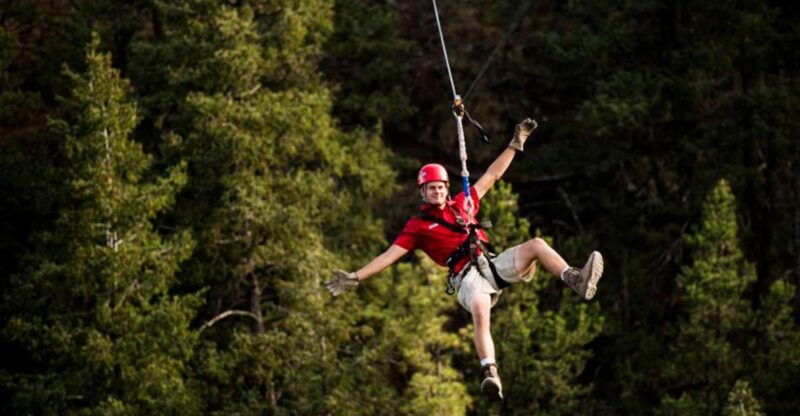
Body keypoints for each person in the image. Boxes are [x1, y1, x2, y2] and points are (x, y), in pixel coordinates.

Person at [325, 118, 604, 401]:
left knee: (536, 245)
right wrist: (356, 276)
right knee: (481, 310)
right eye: (431, 188)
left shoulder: (463, 203)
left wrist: (515, 144)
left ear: (447, 188)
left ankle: (575, 279)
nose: (437, 192)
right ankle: (490, 373)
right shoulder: (418, 227)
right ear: (422, 192)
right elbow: (389, 256)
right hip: (466, 277)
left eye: (440, 187)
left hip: (490, 263)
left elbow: (493, 175)